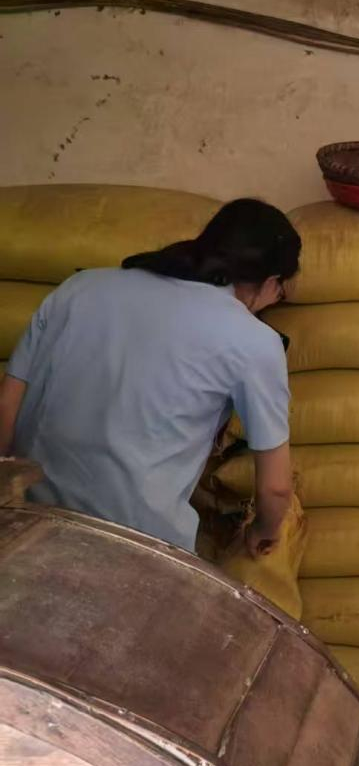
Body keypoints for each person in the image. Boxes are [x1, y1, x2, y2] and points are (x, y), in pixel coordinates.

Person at [0, 199, 299, 556]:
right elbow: (275, 489)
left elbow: (7, 406)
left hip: (31, 526)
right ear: (271, 281)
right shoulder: (253, 340)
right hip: (137, 549)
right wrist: (263, 531)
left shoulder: (79, 287)